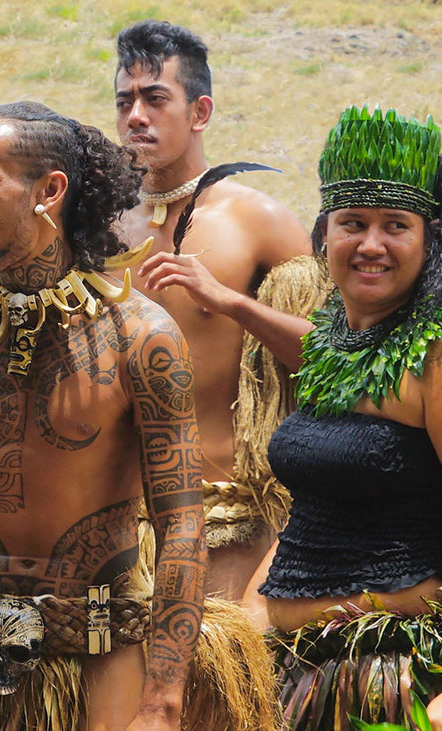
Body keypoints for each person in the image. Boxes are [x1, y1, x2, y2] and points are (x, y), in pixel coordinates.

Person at [0, 100, 286, 731]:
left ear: (49, 191)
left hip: (104, 666)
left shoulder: (140, 338)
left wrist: (161, 703)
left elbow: (182, 523)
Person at [246, 105, 442, 730]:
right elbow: (315, 504)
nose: (371, 244)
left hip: (401, 673)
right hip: (302, 670)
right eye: (351, 223)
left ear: (429, 238)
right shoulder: (337, 340)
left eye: (396, 226)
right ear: (323, 233)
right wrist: (249, 619)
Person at [113, 20, 320, 601]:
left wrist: (229, 302)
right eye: (125, 101)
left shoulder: (256, 218)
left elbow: (332, 358)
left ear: (199, 112)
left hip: (226, 521)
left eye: (156, 99)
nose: (136, 117)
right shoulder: (95, 227)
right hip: (113, 526)